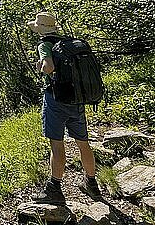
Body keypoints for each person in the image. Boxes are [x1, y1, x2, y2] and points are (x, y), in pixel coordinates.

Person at [27, 12, 101, 204]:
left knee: (57, 144)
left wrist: (40, 66)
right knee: (83, 143)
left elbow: (49, 67)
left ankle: (55, 189)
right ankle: (91, 183)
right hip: (77, 100)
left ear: (40, 29)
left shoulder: (45, 44)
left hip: (56, 100)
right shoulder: (68, 42)